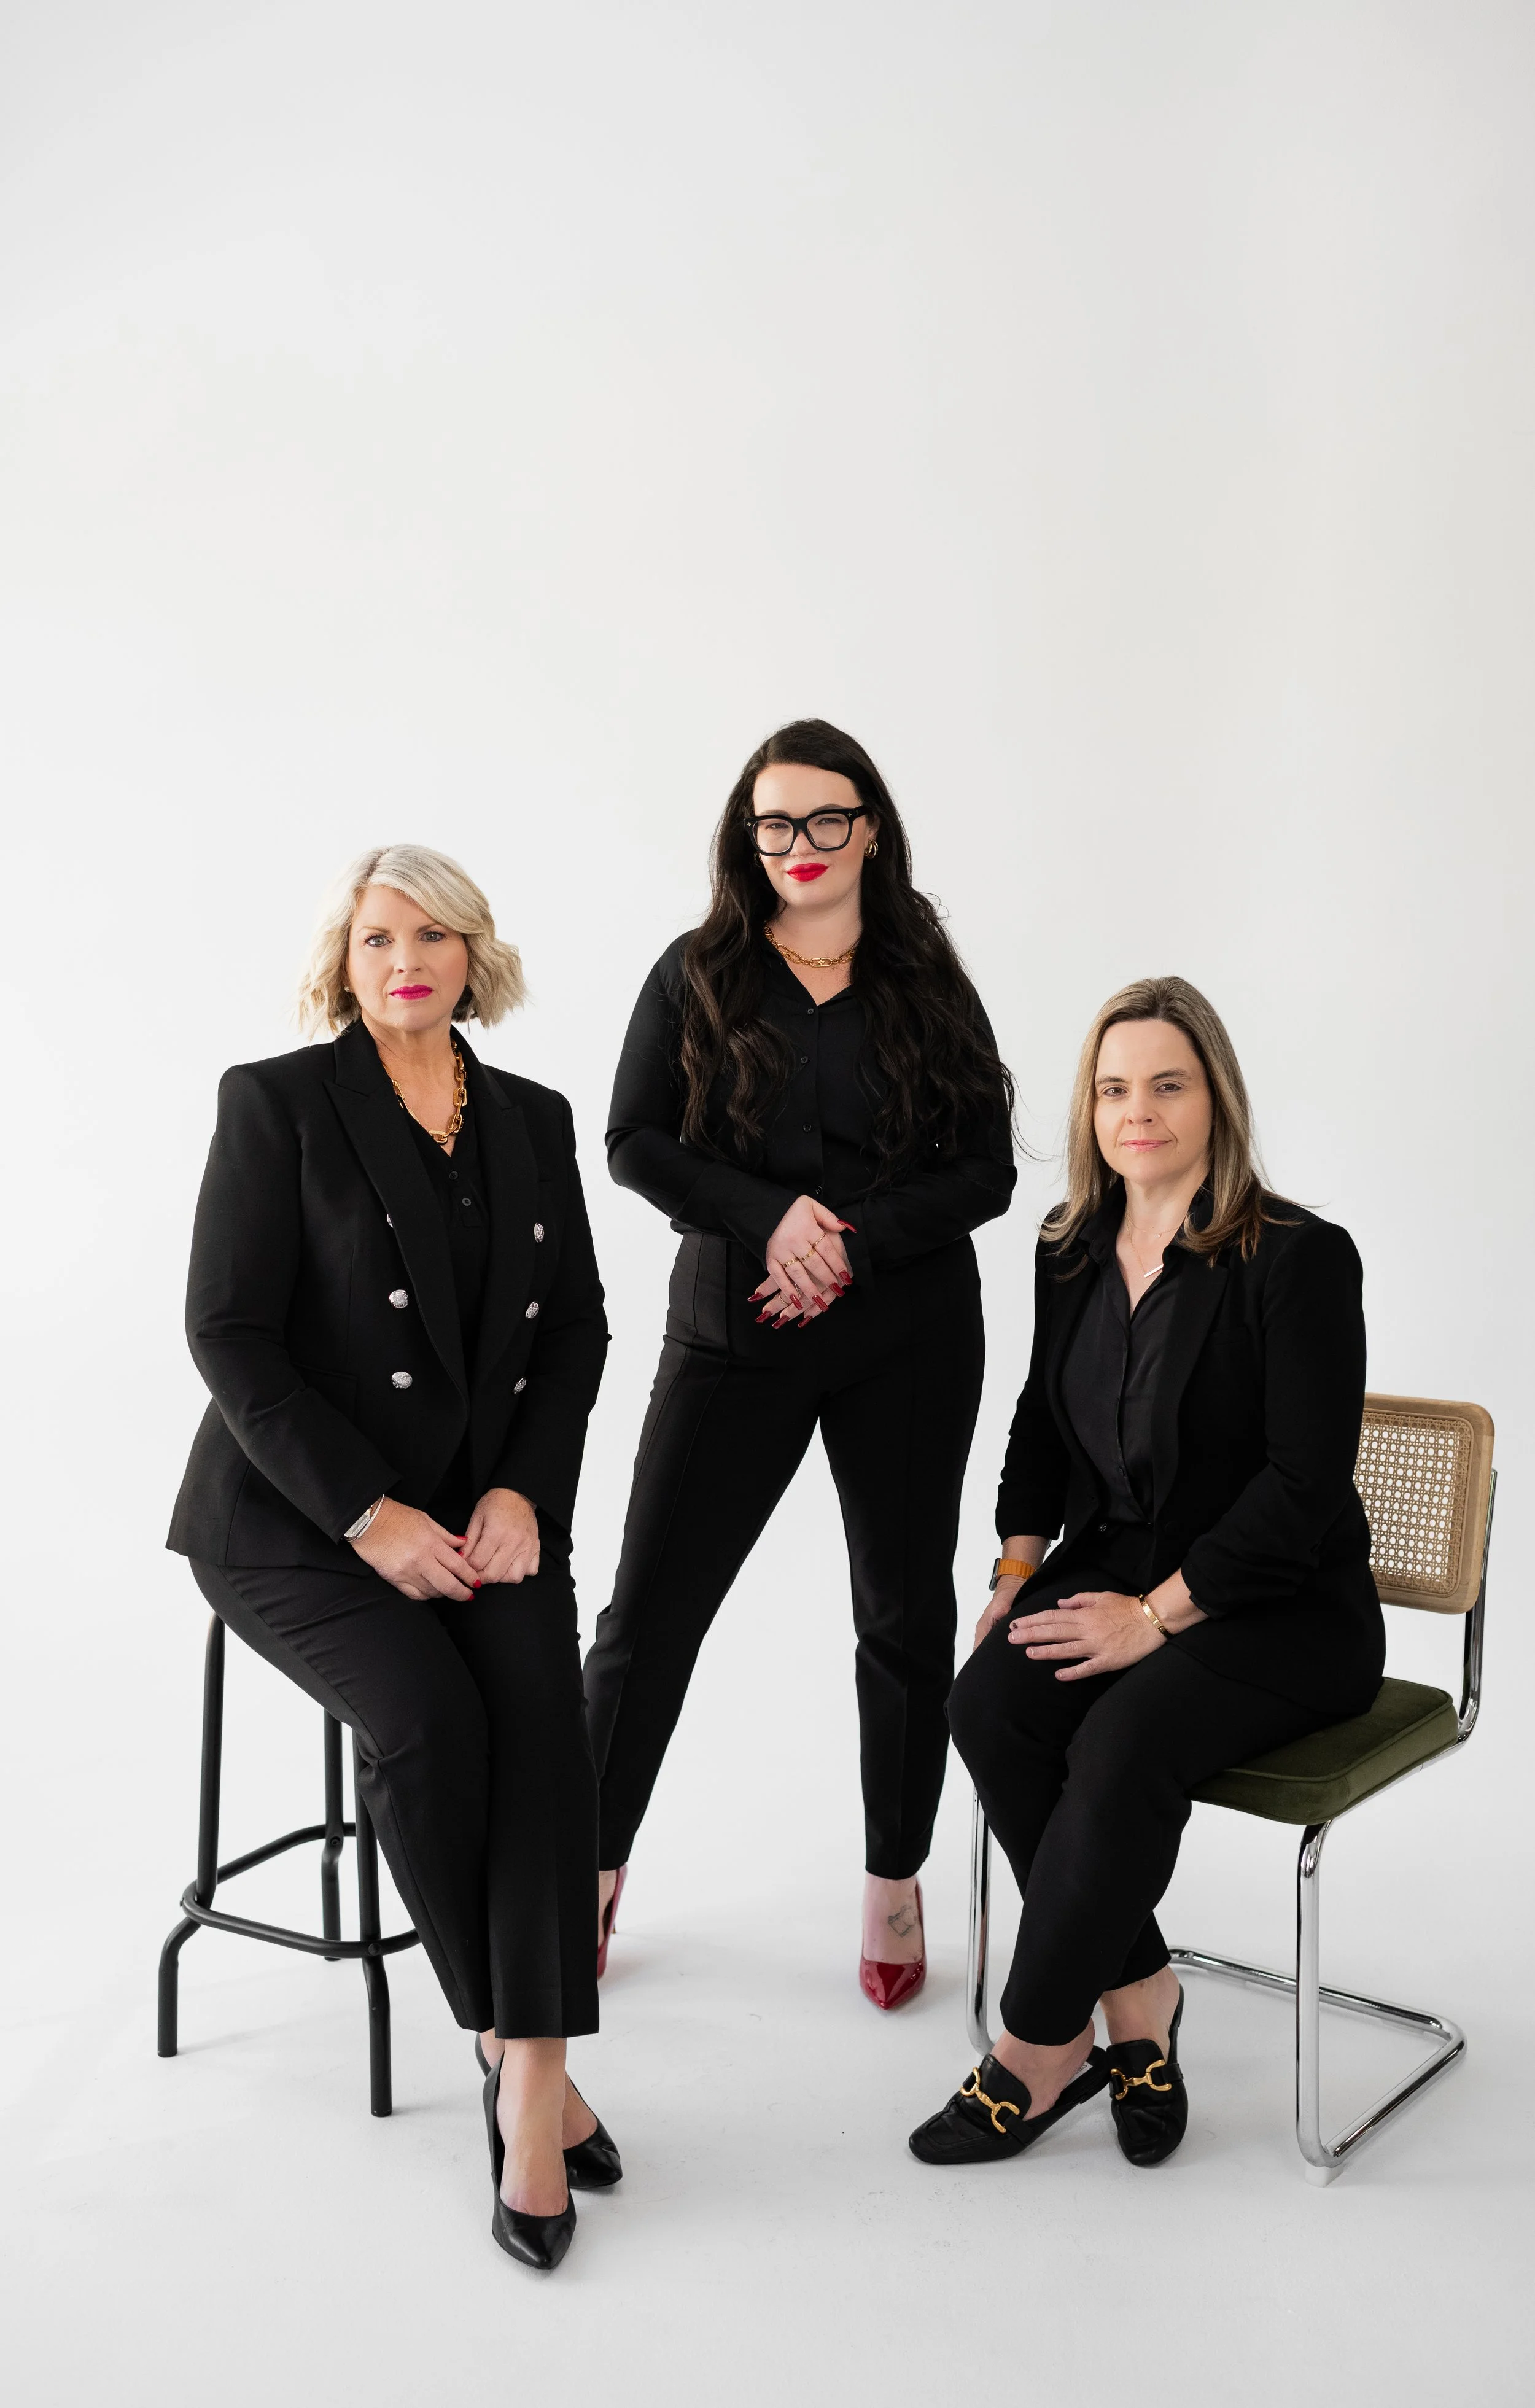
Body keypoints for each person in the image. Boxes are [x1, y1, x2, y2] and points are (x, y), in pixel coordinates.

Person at [168, 845, 613, 2272]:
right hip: (295, 1521)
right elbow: (227, 1333)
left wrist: (524, 1492)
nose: (404, 958)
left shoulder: (533, 1120)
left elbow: (576, 1332)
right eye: (376, 937)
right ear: (342, 961)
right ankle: (514, 2044)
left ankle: (528, 2075)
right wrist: (368, 1513)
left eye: (432, 934)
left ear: (474, 956)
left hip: (481, 1515)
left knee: (546, 1721)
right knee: (428, 1721)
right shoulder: (279, 1105)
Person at [910, 974, 1384, 2169]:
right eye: (1113, 1086)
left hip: (1278, 1609)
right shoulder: (1068, 1246)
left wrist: (1154, 1618)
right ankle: (1138, 1997)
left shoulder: (1296, 1257)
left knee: (1119, 1738)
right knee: (984, 1700)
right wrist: (1019, 1566)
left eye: (1166, 1083)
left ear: (1212, 1097)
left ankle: (1033, 2050)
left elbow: (1302, 1486)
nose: (1138, 1108)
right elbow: (1035, 1421)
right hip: (1112, 1566)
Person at [583, 720, 1016, 2005]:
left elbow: (986, 1167)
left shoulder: (924, 969)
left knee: (901, 1614)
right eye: (774, 823)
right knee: (646, 1615)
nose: (800, 847)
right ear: (745, 835)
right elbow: (632, 1138)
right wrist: (769, 1216)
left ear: (870, 826)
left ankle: (894, 1875)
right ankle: (589, 1872)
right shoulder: (696, 970)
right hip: (734, 1329)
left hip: (907, 1333)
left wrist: (850, 1241)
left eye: (826, 819)